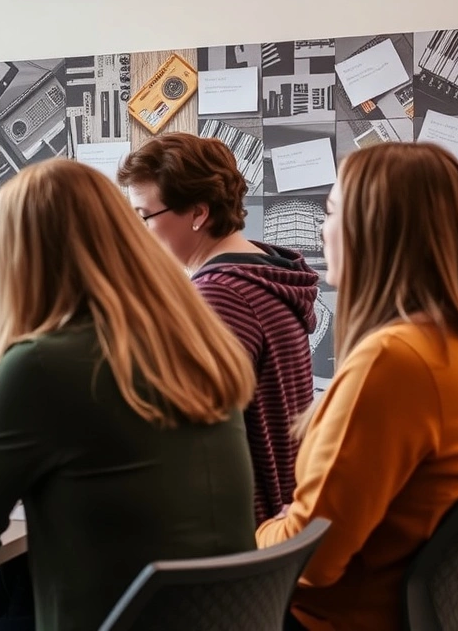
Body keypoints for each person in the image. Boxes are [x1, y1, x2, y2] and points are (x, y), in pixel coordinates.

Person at [0, 158, 257, 631]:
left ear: (19, 257)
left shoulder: (40, 363)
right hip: (222, 614)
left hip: (115, 617)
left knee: (0, 597)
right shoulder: (194, 338)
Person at [257, 142, 458, 631]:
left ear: (375, 231)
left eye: (332, 211)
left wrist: (245, 537)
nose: (321, 228)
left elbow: (308, 557)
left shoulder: (395, 360)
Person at [118, 132, 318, 525]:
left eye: (145, 217)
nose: (139, 233)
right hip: (277, 517)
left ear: (198, 213)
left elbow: (184, 436)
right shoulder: (265, 269)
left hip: (241, 529)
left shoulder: (220, 295)